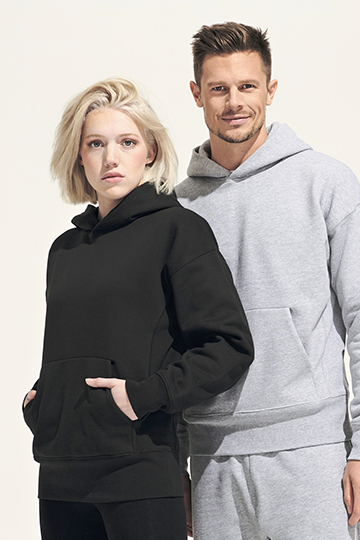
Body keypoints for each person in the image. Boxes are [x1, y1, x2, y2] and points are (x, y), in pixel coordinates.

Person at [176, 22, 360, 540]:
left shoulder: (324, 181)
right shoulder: (179, 206)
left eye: (247, 86)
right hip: (210, 458)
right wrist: (174, 463)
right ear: (196, 93)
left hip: (312, 450)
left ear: (270, 89)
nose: (234, 101)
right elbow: (169, 344)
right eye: (219, 88)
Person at [22, 77, 254, 540]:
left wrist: (145, 396)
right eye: (95, 144)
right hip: (60, 479)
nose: (110, 157)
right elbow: (73, 347)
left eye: (126, 142)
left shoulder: (178, 230)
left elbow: (229, 346)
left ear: (150, 150)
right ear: (79, 155)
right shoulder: (64, 249)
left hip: (140, 474)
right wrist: (44, 400)